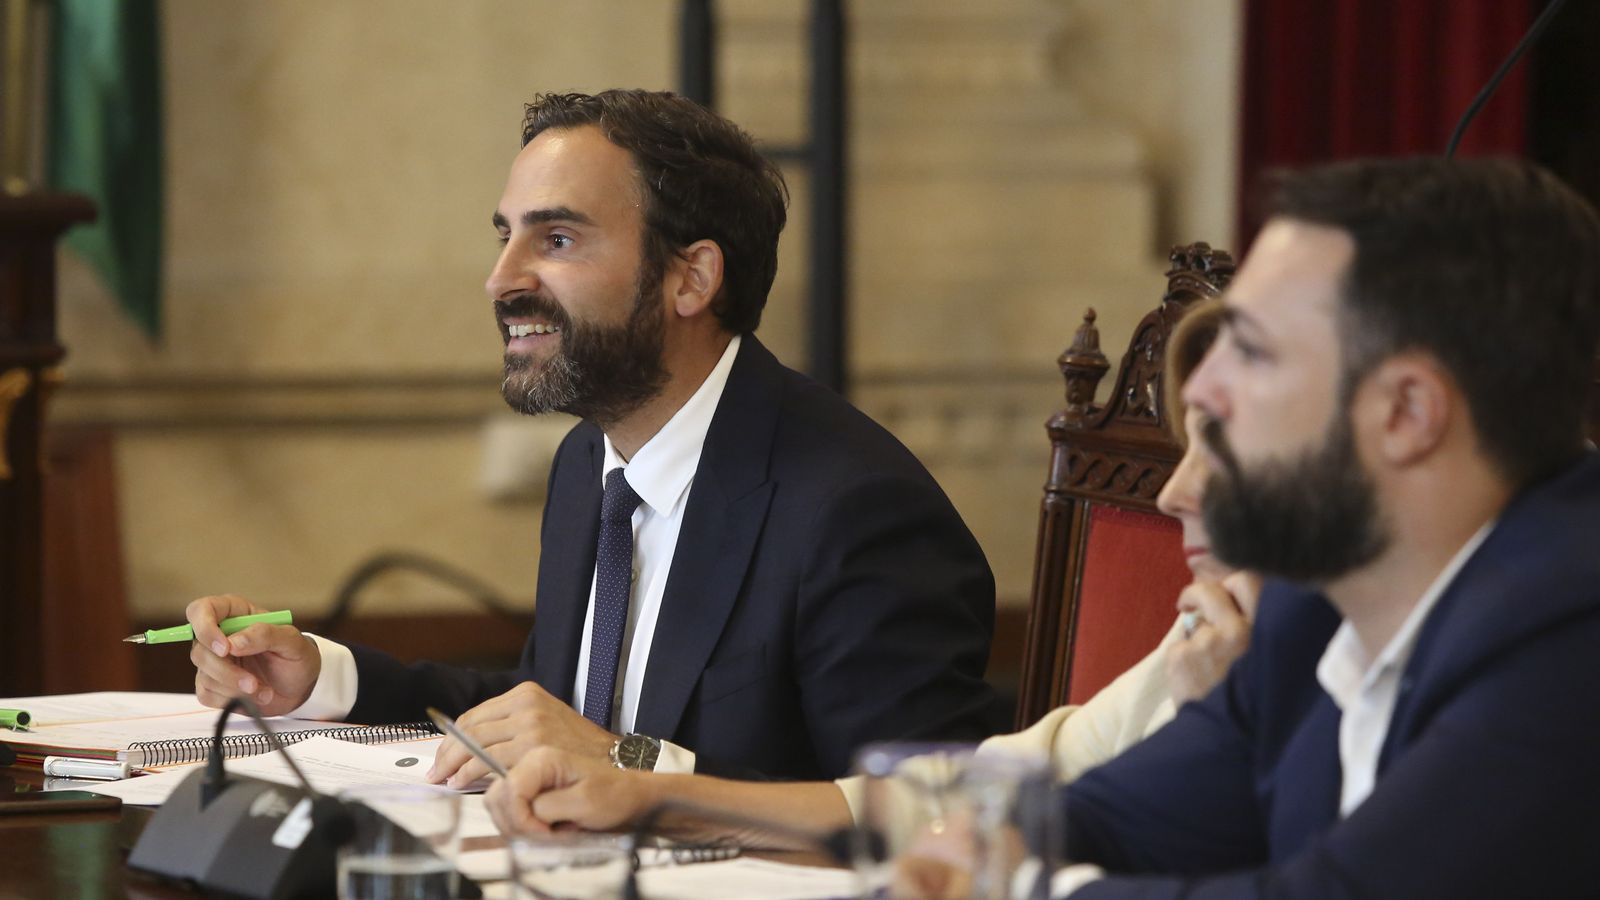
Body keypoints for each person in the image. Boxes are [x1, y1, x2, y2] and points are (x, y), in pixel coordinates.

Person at [181, 89, 1001, 782]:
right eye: (506, 235)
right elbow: (550, 712)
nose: (502, 280)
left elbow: (928, 821)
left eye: (558, 239)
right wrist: (326, 677)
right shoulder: (592, 463)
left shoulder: (856, 508)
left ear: (692, 278)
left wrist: (630, 765)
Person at [934, 157, 1600, 899]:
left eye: (1251, 349)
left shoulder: (1570, 634)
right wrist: (977, 844)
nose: (1203, 388)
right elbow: (1110, 819)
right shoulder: (1308, 602)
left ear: (1407, 413)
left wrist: (1010, 885)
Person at [482, 301, 1260, 845]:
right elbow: (949, 794)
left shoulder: (852, 502)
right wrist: (649, 790)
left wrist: (1223, 738)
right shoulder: (1203, 646)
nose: (1175, 493)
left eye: (1226, 448)